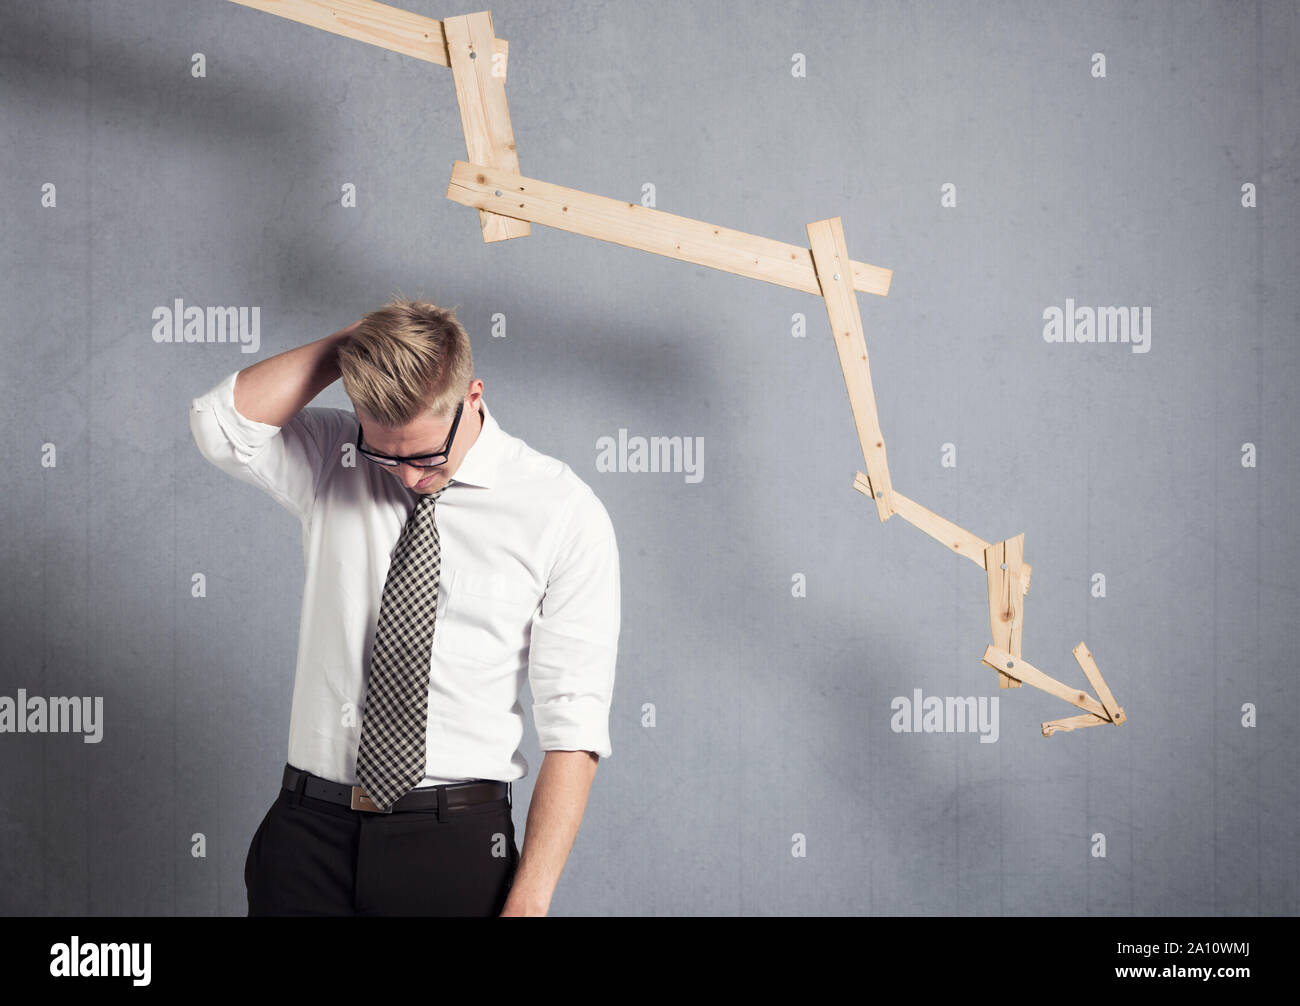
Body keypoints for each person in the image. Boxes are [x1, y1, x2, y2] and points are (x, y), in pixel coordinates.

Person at [188, 298, 621, 916]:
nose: (407, 477)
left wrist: (529, 902)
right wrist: (356, 345)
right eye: (385, 455)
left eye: (424, 456)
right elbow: (219, 425)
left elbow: (574, 729)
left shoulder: (561, 512)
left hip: (456, 844)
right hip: (308, 834)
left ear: (473, 396)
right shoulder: (336, 459)